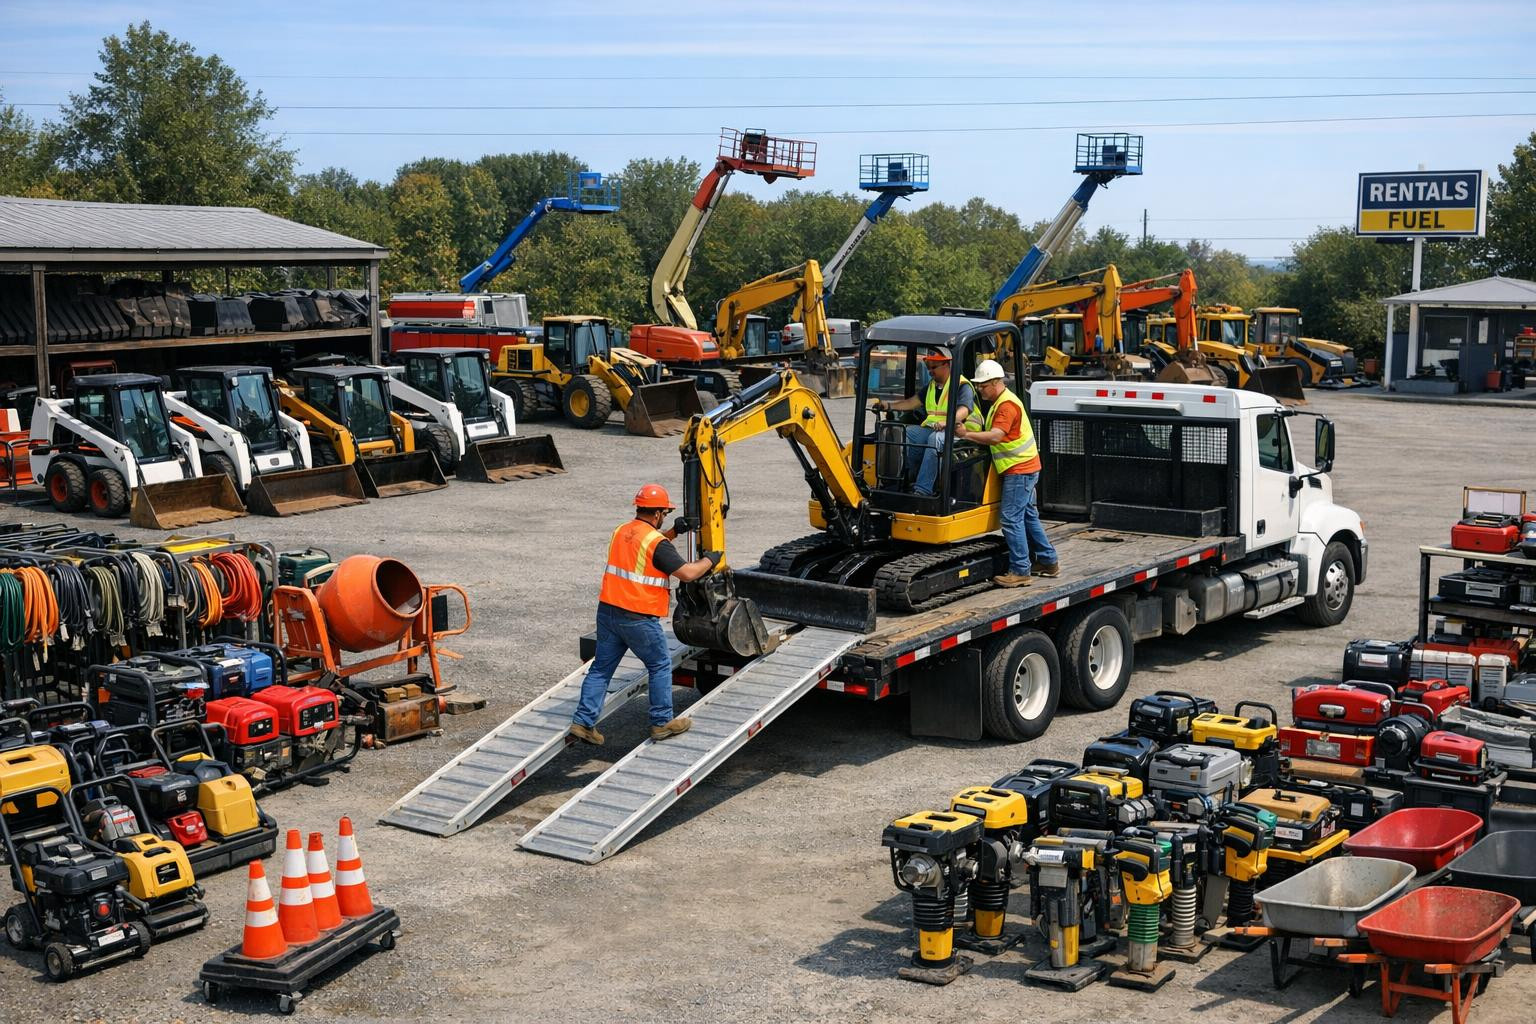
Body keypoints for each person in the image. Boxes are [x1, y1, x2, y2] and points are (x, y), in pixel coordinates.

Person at [569, 484, 722, 746]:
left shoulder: (622, 531)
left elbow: (642, 549)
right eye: (665, 512)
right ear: (659, 513)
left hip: (608, 612)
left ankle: (583, 723)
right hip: (638, 616)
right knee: (660, 664)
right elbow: (686, 573)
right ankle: (662, 722)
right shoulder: (657, 543)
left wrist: (674, 532)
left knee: (601, 669)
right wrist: (710, 560)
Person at [955, 359, 1059, 588]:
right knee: (1028, 516)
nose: (980, 389)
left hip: (1019, 470)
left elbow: (995, 436)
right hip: (1025, 467)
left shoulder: (1006, 406)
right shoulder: (1001, 401)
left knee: (1011, 519)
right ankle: (1048, 561)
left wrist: (965, 435)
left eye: (983, 385)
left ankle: (1021, 570)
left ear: (995, 382)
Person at [871, 348, 975, 496]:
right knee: (905, 433)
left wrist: (948, 422)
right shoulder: (932, 386)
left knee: (935, 439)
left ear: (946, 364)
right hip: (934, 429)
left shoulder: (962, 385)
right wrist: (889, 406)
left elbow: (964, 410)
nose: (930, 372)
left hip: (960, 432)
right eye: (928, 368)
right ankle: (904, 480)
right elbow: (912, 402)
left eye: (934, 368)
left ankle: (923, 490)